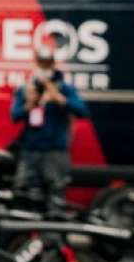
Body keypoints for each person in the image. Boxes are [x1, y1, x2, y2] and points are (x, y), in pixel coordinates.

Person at [9, 49, 89, 207]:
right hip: (30, 151)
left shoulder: (64, 88)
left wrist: (59, 99)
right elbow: (14, 115)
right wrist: (29, 104)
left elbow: (83, 111)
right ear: (35, 64)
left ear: (53, 65)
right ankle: (24, 231)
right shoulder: (27, 89)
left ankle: (52, 231)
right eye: (41, 64)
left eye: (47, 65)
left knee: (56, 198)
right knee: (24, 195)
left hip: (55, 152)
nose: (44, 69)